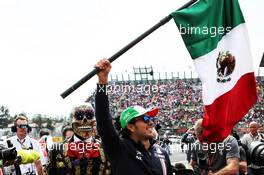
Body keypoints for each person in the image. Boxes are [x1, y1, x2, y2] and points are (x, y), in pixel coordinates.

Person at [95, 58, 173, 175]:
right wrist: (102, 82)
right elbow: (103, 120)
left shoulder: (162, 152)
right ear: (131, 127)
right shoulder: (119, 149)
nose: (151, 122)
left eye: (150, 118)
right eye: (145, 119)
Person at [48, 103, 111, 175]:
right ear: (72, 120)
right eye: (79, 116)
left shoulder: (106, 149)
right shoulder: (56, 150)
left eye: (89, 116)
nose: (85, 120)